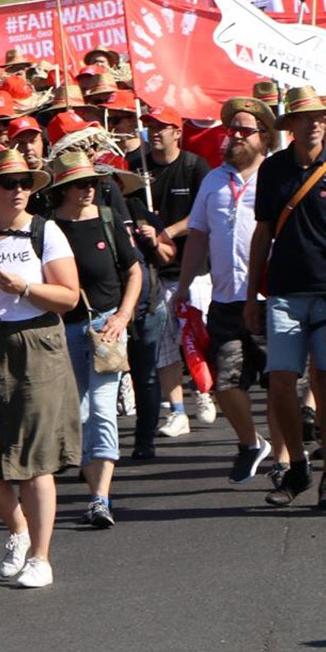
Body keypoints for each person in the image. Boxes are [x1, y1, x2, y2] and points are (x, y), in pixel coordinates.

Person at [0, 149, 81, 588]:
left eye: (25, 182)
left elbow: (69, 296)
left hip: (36, 343)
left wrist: (22, 286)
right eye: (9, 183)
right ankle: (19, 530)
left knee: (36, 458)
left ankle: (41, 557)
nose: (19, 190)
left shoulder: (47, 232)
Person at [245, 87, 326, 508]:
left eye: (321, 115)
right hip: (283, 290)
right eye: (305, 116)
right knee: (280, 382)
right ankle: (297, 464)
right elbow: (262, 232)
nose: (315, 122)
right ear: (290, 125)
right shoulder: (273, 169)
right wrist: (249, 295)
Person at [45, 151, 143, 528]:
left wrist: (123, 315)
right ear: (63, 189)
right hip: (63, 329)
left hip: (106, 327)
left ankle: (100, 497)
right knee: (78, 413)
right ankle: (94, 492)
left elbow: (133, 271)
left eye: (92, 183)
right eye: (80, 184)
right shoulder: (48, 227)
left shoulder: (107, 218)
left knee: (102, 408)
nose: (88, 190)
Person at [180, 97, 275, 486]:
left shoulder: (275, 175)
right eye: (231, 129)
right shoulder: (213, 180)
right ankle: (251, 443)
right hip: (225, 299)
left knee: (280, 384)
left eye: (244, 130)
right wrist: (183, 286)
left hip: (271, 298)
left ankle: (285, 457)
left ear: (264, 137)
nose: (234, 136)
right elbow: (198, 236)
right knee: (226, 383)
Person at [132, 106, 212, 450]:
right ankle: (177, 410)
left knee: (199, 336)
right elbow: (131, 209)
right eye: (150, 126)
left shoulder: (194, 166)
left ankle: (204, 394)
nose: (156, 133)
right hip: (156, 273)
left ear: (177, 131)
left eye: (162, 127)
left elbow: (203, 211)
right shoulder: (138, 168)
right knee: (164, 346)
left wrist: (167, 232)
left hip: (195, 271)